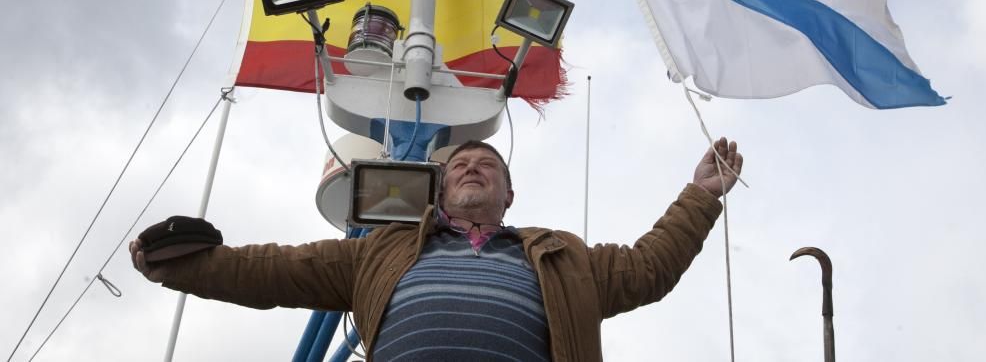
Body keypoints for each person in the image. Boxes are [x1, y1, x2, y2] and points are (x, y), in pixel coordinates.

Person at [130, 137, 743, 361]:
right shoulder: (381, 250)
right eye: (460, 165)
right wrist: (182, 266)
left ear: (508, 192)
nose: (472, 167)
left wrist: (701, 195)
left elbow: (648, 267)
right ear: (442, 190)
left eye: (487, 164)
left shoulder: (567, 257)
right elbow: (275, 271)